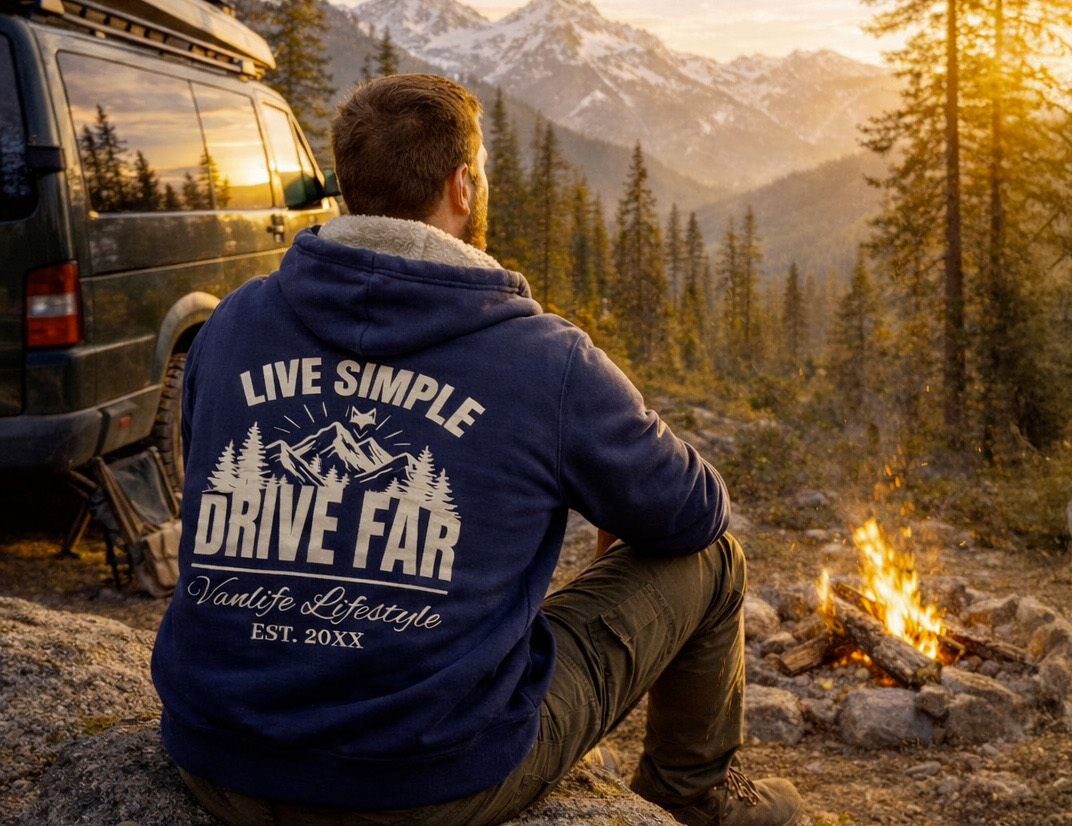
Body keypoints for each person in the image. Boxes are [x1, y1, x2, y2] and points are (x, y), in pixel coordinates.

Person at [149, 73, 803, 826]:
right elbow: (694, 514)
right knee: (715, 561)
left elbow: (205, 484)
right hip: (425, 787)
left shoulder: (231, 325)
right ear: (463, 186)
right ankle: (689, 799)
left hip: (216, 761)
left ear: (347, 187)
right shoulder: (541, 356)